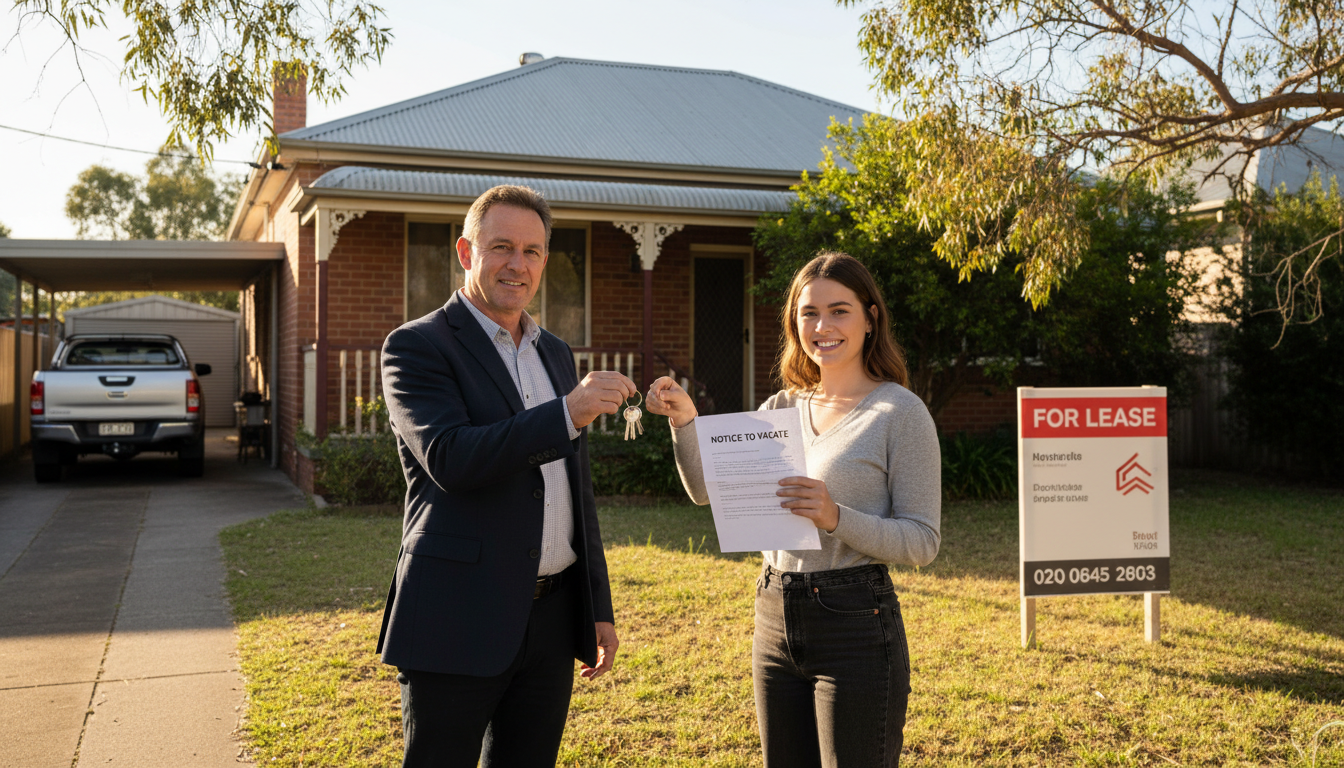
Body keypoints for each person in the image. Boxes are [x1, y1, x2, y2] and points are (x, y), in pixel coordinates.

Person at [647, 251, 941, 767]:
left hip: (855, 622)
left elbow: (922, 541)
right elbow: (705, 491)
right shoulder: (782, 408)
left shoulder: (899, 412)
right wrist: (686, 423)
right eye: (809, 313)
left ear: (870, 318)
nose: (822, 326)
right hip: (773, 613)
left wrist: (835, 516)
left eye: (839, 311)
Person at [377, 184, 636, 767]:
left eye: (532, 251)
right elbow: (450, 456)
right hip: (457, 615)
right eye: (501, 247)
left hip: (552, 619)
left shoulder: (555, 353)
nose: (517, 264)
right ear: (466, 252)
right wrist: (566, 413)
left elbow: (575, 490)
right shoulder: (416, 346)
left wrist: (596, 604)